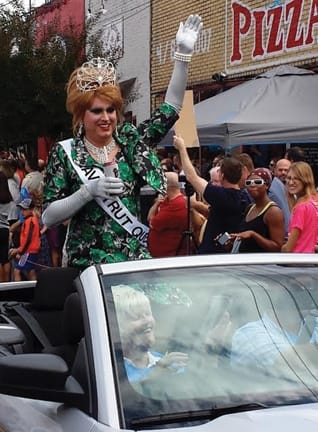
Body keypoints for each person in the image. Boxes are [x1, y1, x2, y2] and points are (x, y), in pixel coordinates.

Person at [42, 14, 203, 269]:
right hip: (87, 265)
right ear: (81, 115)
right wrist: (87, 192)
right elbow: (49, 216)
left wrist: (182, 57)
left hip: (132, 262)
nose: (106, 118)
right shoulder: (65, 153)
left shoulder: (131, 141)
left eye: (111, 110)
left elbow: (171, 108)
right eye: (97, 111)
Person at [173, 135, 249, 254]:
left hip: (213, 254)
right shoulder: (245, 197)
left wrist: (182, 148)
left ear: (222, 176)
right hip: (225, 250)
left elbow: (192, 177)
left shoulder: (221, 195)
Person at [111, 284, 188, 382]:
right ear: (117, 327)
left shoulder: (168, 363)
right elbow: (125, 394)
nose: (147, 321)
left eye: (148, 313)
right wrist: (156, 372)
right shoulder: (112, 370)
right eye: (136, 317)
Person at [230, 168, 285, 253]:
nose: (252, 185)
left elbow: (278, 247)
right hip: (245, 263)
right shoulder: (250, 208)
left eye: (258, 182)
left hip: (262, 264)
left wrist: (254, 235)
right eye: (248, 183)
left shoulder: (273, 212)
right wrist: (232, 241)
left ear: (266, 185)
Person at [147, 172, 188, 257]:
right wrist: (157, 203)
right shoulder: (166, 200)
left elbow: (152, 223)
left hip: (170, 257)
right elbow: (149, 218)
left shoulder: (177, 204)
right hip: (162, 256)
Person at [281, 162, 318, 253]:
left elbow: (289, 248)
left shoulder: (301, 207)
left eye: (296, 178)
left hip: (297, 261)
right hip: (311, 261)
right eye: (289, 178)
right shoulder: (314, 202)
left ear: (305, 180)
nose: (290, 182)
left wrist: (282, 249)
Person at [9, 198, 41, 281]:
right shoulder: (31, 220)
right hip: (31, 250)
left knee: (17, 271)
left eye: (25, 209)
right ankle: (34, 290)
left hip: (28, 251)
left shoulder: (30, 221)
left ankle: (18, 292)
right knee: (31, 271)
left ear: (31, 210)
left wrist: (19, 250)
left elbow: (28, 239)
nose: (22, 212)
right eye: (22, 209)